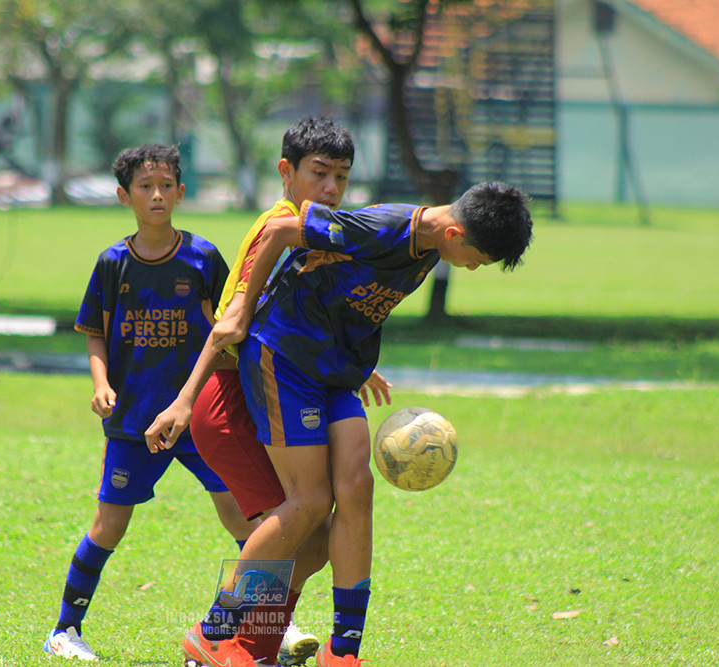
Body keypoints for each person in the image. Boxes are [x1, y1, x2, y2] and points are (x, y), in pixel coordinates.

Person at [158, 181, 534, 667]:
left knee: (357, 485)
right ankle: (214, 631)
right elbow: (277, 231)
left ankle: (342, 651)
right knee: (311, 503)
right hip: (285, 356)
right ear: (456, 232)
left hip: (335, 369)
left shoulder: (431, 246)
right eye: (478, 259)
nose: (473, 267)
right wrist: (242, 311)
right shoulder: (385, 227)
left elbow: (349, 291)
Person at [147, 117, 391, 667]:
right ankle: (214, 638)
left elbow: (303, 315)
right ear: (287, 172)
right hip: (230, 398)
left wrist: (352, 366)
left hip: (270, 390)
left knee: (311, 541)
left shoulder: (318, 230)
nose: (330, 188)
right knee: (304, 523)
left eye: (342, 177)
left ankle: (249, 648)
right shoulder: (278, 227)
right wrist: (185, 400)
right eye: (318, 173)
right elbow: (231, 323)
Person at [43, 144, 254, 662]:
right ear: (124, 196)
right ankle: (65, 630)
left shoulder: (203, 258)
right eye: (144, 186)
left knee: (247, 520)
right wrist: (100, 384)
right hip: (134, 420)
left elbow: (231, 324)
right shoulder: (113, 263)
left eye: (165, 186)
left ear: (181, 193)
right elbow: (95, 333)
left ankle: (266, 625)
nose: (156, 195)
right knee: (108, 526)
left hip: (200, 416)